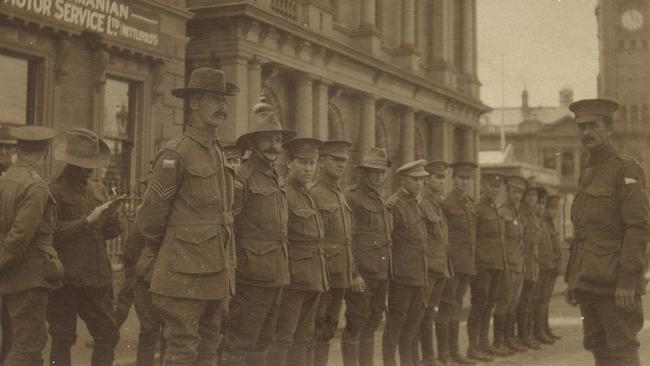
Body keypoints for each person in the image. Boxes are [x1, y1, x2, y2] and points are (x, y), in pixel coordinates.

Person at [136, 67, 239, 365]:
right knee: (182, 351)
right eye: (213, 99)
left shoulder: (217, 151)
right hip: (183, 271)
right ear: (194, 103)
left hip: (217, 269)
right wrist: (172, 250)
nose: (222, 106)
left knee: (209, 348)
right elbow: (150, 220)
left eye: (224, 100)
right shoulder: (176, 153)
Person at [565, 98, 650, 366]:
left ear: (609, 128)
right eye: (581, 127)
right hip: (588, 280)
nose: (586, 133)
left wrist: (628, 281)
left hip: (615, 283)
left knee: (622, 350)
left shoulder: (626, 168)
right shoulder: (588, 172)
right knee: (598, 347)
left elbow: (637, 229)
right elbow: (583, 233)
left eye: (593, 126)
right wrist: (573, 278)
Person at [220, 98, 296, 366]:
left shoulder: (276, 178)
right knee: (239, 344)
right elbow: (227, 230)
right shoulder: (241, 179)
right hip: (250, 278)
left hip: (276, 274)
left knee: (264, 342)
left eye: (278, 140)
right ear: (252, 144)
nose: (275, 147)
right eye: (268, 140)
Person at [47, 128, 122, 366]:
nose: (90, 168)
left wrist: (113, 216)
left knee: (108, 335)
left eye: (92, 163)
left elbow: (110, 233)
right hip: (66, 280)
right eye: (84, 164)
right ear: (71, 162)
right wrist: (87, 221)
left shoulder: (97, 188)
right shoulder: (53, 190)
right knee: (62, 339)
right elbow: (49, 234)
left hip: (96, 279)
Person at [0, 126, 62, 365]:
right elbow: (20, 237)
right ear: (46, 152)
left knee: (15, 342)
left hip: (10, 275)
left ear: (18, 149)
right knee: (28, 345)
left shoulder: (6, 180)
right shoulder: (35, 185)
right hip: (27, 276)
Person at [266, 137, 329, 366]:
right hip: (291, 280)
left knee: (304, 338)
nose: (308, 168)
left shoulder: (308, 194)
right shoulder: (283, 193)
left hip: (312, 278)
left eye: (312, 163)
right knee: (283, 338)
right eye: (303, 162)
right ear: (290, 162)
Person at [310, 140, 366, 366]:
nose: (341, 165)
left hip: (339, 274)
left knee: (329, 327)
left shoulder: (339, 196)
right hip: (322, 275)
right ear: (321, 161)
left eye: (344, 160)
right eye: (336, 160)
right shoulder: (313, 194)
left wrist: (352, 273)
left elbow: (346, 240)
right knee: (316, 329)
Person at [342, 147, 392, 366]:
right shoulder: (351, 198)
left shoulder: (380, 200)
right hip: (362, 275)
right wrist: (354, 274)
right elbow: (348, 239)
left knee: (372, 323)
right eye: (374, 172)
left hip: (380, 273)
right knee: (356, 324)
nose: (379, 176)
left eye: (382, 172)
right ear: (364, 173)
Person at [382, 159, 429, 366]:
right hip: (401, 275)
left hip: (418, 273)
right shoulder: (394, 205)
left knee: (412, 323)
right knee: (396, 323)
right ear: (402, 179)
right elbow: (387, 240)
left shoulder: (414, 203)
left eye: (422, 179)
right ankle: (389, 362)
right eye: (414, 179)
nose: (419, 183)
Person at [437, 161, 477, 366]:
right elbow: (442, 235)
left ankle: (454, 352)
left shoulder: (470, 203)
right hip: (451, 263)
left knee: (458, 306)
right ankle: (443, 353)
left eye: (467, 178)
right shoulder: (445, 203)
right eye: (461, 178)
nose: (464, 182)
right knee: (446, 306)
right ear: (453, 179)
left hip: (466, 264)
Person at [413, 160, 452, 366]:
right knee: (420, 312)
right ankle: (419, 358)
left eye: (443, 177)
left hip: (439, 268)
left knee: (429, 312)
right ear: (426, 180)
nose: (441, 181)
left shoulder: (437, 204)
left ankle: (429, 357)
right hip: (428, 268)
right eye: (437, 177)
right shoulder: (422, 204)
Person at [466, 172, 508, 362]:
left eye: (497, 187)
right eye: (491, 185)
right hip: (482, 266)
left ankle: (484, 344)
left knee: (489, 305)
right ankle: (473, 347)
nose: (494, 189)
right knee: (478, 305)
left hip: (496, 265)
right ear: (483, 185)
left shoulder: (495, 208)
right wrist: (474, 265)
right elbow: (472, 238)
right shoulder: (478, 208)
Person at [493, 175, 526, 354]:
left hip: (518, 265)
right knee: (504, 302)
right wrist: (505, 265)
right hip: (507, 265)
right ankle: (499, 342)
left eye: (520, 192)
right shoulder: (502, 212)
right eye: (514, 191)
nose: (517, 195)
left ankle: (508, 339)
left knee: (513, 303)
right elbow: (502, 241)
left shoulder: (516, 212)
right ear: (507, 191)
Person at [515, 183, 541, 350]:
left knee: (530, 301)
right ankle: (521, 336)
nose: (531, 199)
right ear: (524, 198)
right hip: (523, 264)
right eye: (529, 195)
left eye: (534, 196)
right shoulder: (521, 215)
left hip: (534, 265)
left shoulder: (534, 217)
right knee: (521, 301)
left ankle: (528, 335)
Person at [0, 125, 16, 365]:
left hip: (10, 263)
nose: (3, 153)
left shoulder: (17, 180)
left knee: (11, 325)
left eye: (9, 149)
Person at [532, 187, 555, 345]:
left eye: (543, 204)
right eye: (539, 203)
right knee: (536, 299)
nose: (541, 207)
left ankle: (541, 329)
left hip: (547, 265)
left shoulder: (543, 222)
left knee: (543, 299)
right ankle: (536, 331)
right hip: (538, 265)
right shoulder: (534, 220)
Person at [541, 194, 562, 341]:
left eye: (556, 209)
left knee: (546, 299)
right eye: (552, 208)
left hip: (553, 267)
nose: (554, 212)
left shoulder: (552, 224)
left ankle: (545, 327)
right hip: (546, 266)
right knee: (542, 299)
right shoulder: (543, 223)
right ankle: (540, 329)